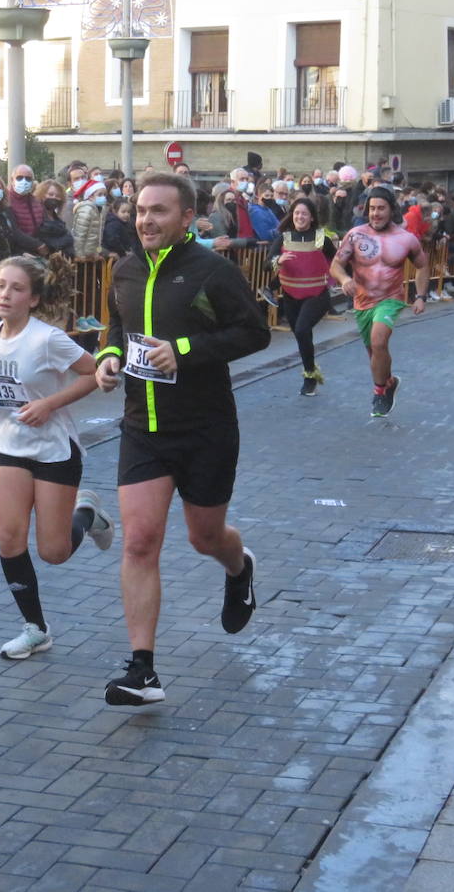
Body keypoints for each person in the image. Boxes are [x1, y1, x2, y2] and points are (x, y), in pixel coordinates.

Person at [93, 173, 270, 706]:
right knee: (139, 541)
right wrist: (107, 359)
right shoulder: (123, 271)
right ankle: (142, 671)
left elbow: (255, 331)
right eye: (140, 210)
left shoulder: (212, 271)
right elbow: (115, 329)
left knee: (204, 537)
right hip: (142, 429)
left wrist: (186, 350)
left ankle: (239, 567)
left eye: (158, 212)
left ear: (187, 217)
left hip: (205, 429)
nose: (145, 220)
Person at [0, 253, 114, 659]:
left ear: (34, 299)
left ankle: (88, 514)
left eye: (16, 288)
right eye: (1, 286)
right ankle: (35, 628)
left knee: (54, 552)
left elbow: (93, 373)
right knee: (8, 538)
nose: (5, 294)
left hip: (55, 451)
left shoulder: (48, 339)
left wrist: (50, 405)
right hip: (9, 447)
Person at [329, 185, 429, 418]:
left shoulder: (407, 239)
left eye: (381, 209)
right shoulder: (355, 235)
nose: (376, 213)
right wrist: (344, 279)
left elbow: (423, 266)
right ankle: (389, 382)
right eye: (372, 209)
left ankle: (379, 391)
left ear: (391, 210)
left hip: (390, 299)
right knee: (375, 352)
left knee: (378, 341)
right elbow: (336, 265)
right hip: (363, 302)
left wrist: (421, 297)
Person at [270, 198, 336, 396]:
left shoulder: (320, 238)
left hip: (318, 294)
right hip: (291, 295)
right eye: (297, 213)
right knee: (302, 335)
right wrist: (278, 260)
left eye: (304, 213)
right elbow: (268, 263)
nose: (300, 217)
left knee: (301, 329)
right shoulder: (283, 238)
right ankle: (311, 371)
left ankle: (309, 376)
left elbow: (337, 260)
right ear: (292, 215)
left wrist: (338, 280)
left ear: (312, 217)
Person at [6, 164, 40, 237]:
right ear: (12, 180)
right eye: (19, 178)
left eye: (28, 179)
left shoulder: (37, 203)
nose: (24, 181)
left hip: (35, 245)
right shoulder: (5, 200)